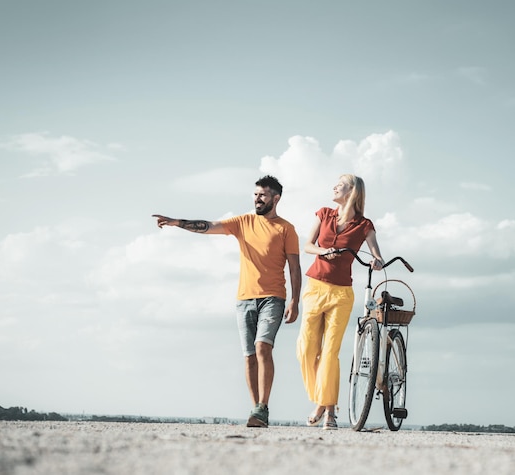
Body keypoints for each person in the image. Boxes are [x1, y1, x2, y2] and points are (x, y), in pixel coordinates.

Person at [153, 175, 301, 428]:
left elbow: (295, 268)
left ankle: (263, 407)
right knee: (249, 356)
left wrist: (295, 301)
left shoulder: (286, 229)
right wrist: (178, 223)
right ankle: (257, 410)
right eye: (255, 194)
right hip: (244, 298)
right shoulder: (243, 222)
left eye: (262, 195)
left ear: (275, 199)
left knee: (263, 347)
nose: (257, 199)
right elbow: (210, 226)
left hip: (273, 297)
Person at [296, 174, 384, 430]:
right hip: (315, 288)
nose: (334, 187)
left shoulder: (365, 225)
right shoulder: (323, 214)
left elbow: (376, 253)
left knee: (330, 353)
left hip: (341, 294)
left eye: (340, 184)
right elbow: (308, 246)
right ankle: (324, 401)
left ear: (353, 191)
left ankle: (329, 412)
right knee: (306, 349)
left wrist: (376, 261)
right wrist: (324, 251)